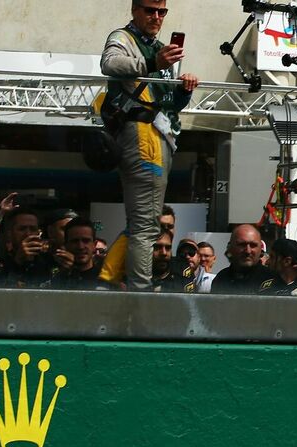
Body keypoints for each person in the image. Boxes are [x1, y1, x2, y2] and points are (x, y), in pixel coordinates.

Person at [100, 1, 199, 291]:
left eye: (161, 11)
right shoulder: (123, 38)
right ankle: (140, 291)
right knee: (146, 224)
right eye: (149, 10)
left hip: (158, 134)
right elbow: (109, 63)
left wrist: (184, 89)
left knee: (142, 221)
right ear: (134, 10)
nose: (156, 17)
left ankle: (107, 279)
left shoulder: (161, 50)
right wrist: (153, 63)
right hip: (143, 136)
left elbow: (169, 104)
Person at [210, 224, 277, 294]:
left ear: (260, 249)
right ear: (230, 248)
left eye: (253, 245)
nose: (248, 251)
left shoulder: (272, 279)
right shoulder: (221, 279)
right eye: (242, 245)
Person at [47, 219, 105, 290]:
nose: (81, 247)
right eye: (75, 241)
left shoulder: (105, 280)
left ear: (94, 245)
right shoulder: (58, 281)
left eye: (86, 241)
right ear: (66, 245)